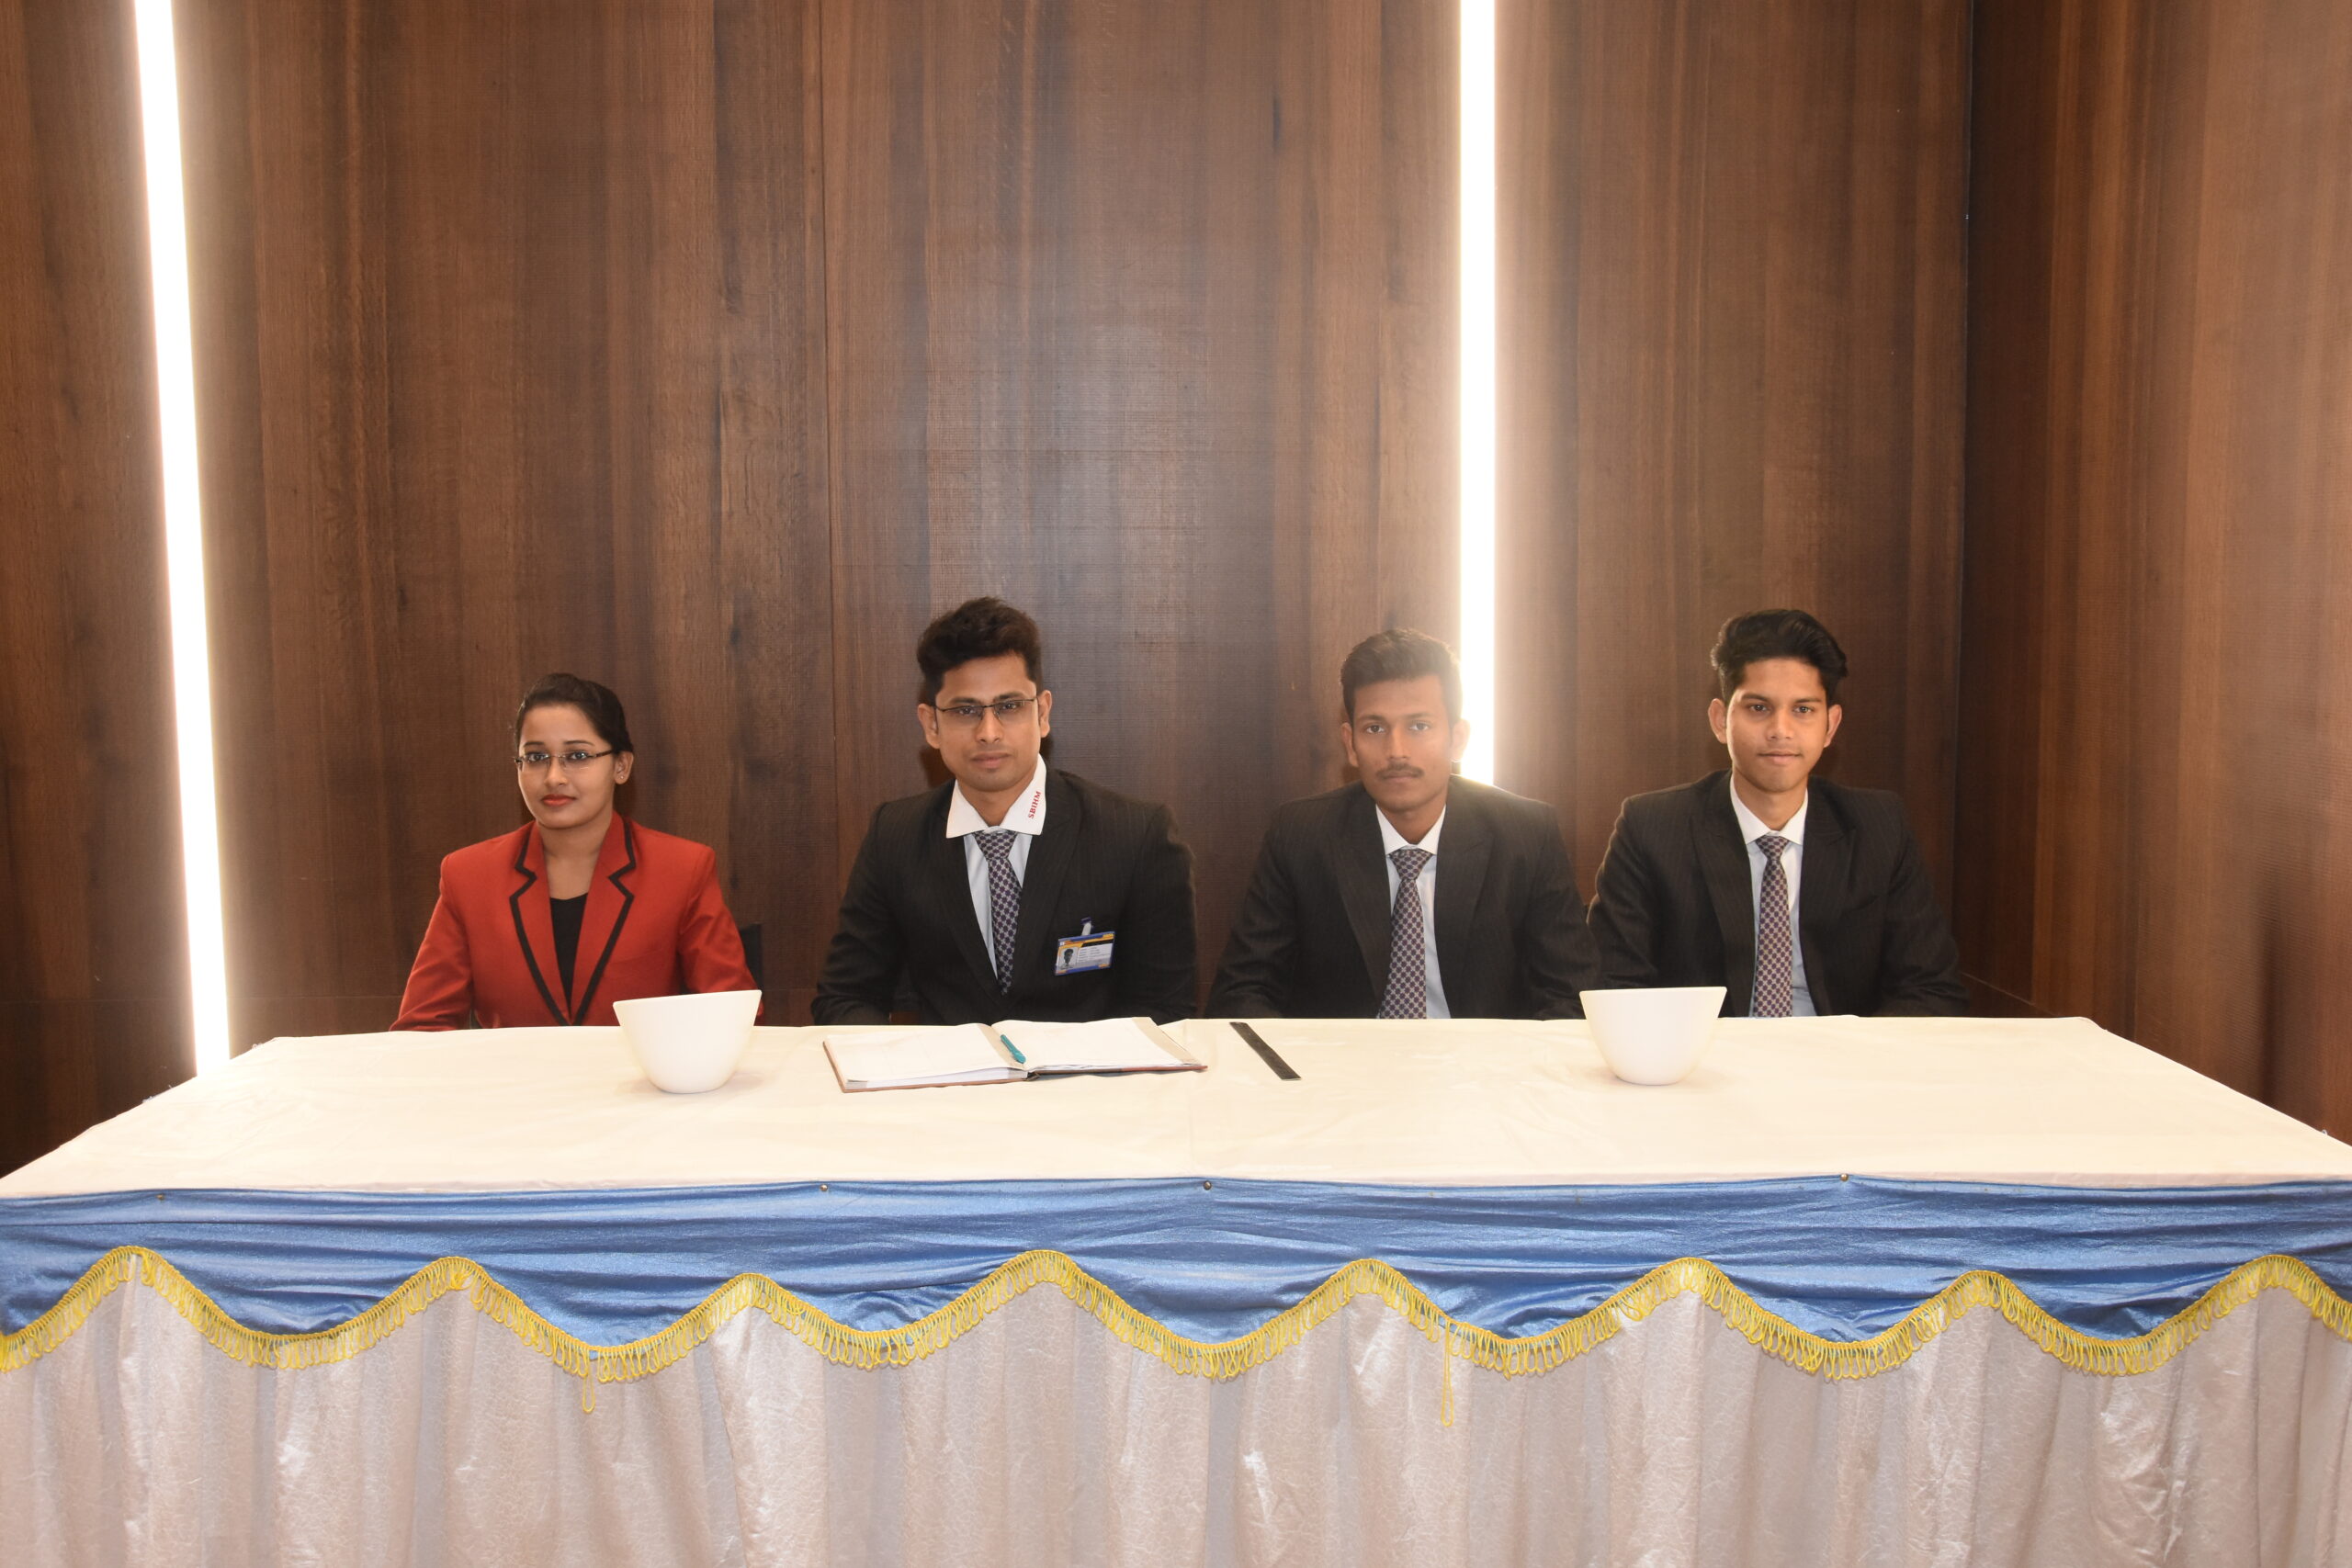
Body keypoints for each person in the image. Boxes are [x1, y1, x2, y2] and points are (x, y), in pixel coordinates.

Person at [813, 597, 1197, 1025]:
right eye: (965, 711)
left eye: (1009, 706)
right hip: (949, 1068)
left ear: (1043, 713)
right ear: (931, 725)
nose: (989, 732)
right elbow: (845, 997)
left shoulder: (1134, 835)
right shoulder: (895, 836)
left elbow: (1166, 1009)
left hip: (1089, 1069)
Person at [1587, 608, 1967, 1016]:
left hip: (1839, 1050)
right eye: (1758, 708)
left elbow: (1931, 988)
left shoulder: (1878, 826)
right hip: (1703, 1051)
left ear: (1830, 726)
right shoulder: (1653, 828)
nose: (1780, 731)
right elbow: (1614, 986)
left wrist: (1854, 1054)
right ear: (1720, 720)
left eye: (1803, 710)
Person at [1208, 628, 1597, 1019]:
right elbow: (1243, 992)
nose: (1396, 751)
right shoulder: (1301, 835)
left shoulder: (1526, 835)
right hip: (1342, 1057)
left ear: (1458, 738)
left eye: (1419, 726)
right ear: (1350, 744)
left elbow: (1572, 997)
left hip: (1479, 1056)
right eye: (1375, 728)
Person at [394, 674, 757, 1029]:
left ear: (621, 766)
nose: (554, 777)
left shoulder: (681, 869)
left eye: (578, 755)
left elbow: (735, 1019)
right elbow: (422, 1027)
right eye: (536, 757)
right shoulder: (469, 876)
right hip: (515, 1071)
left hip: (638, 1071)